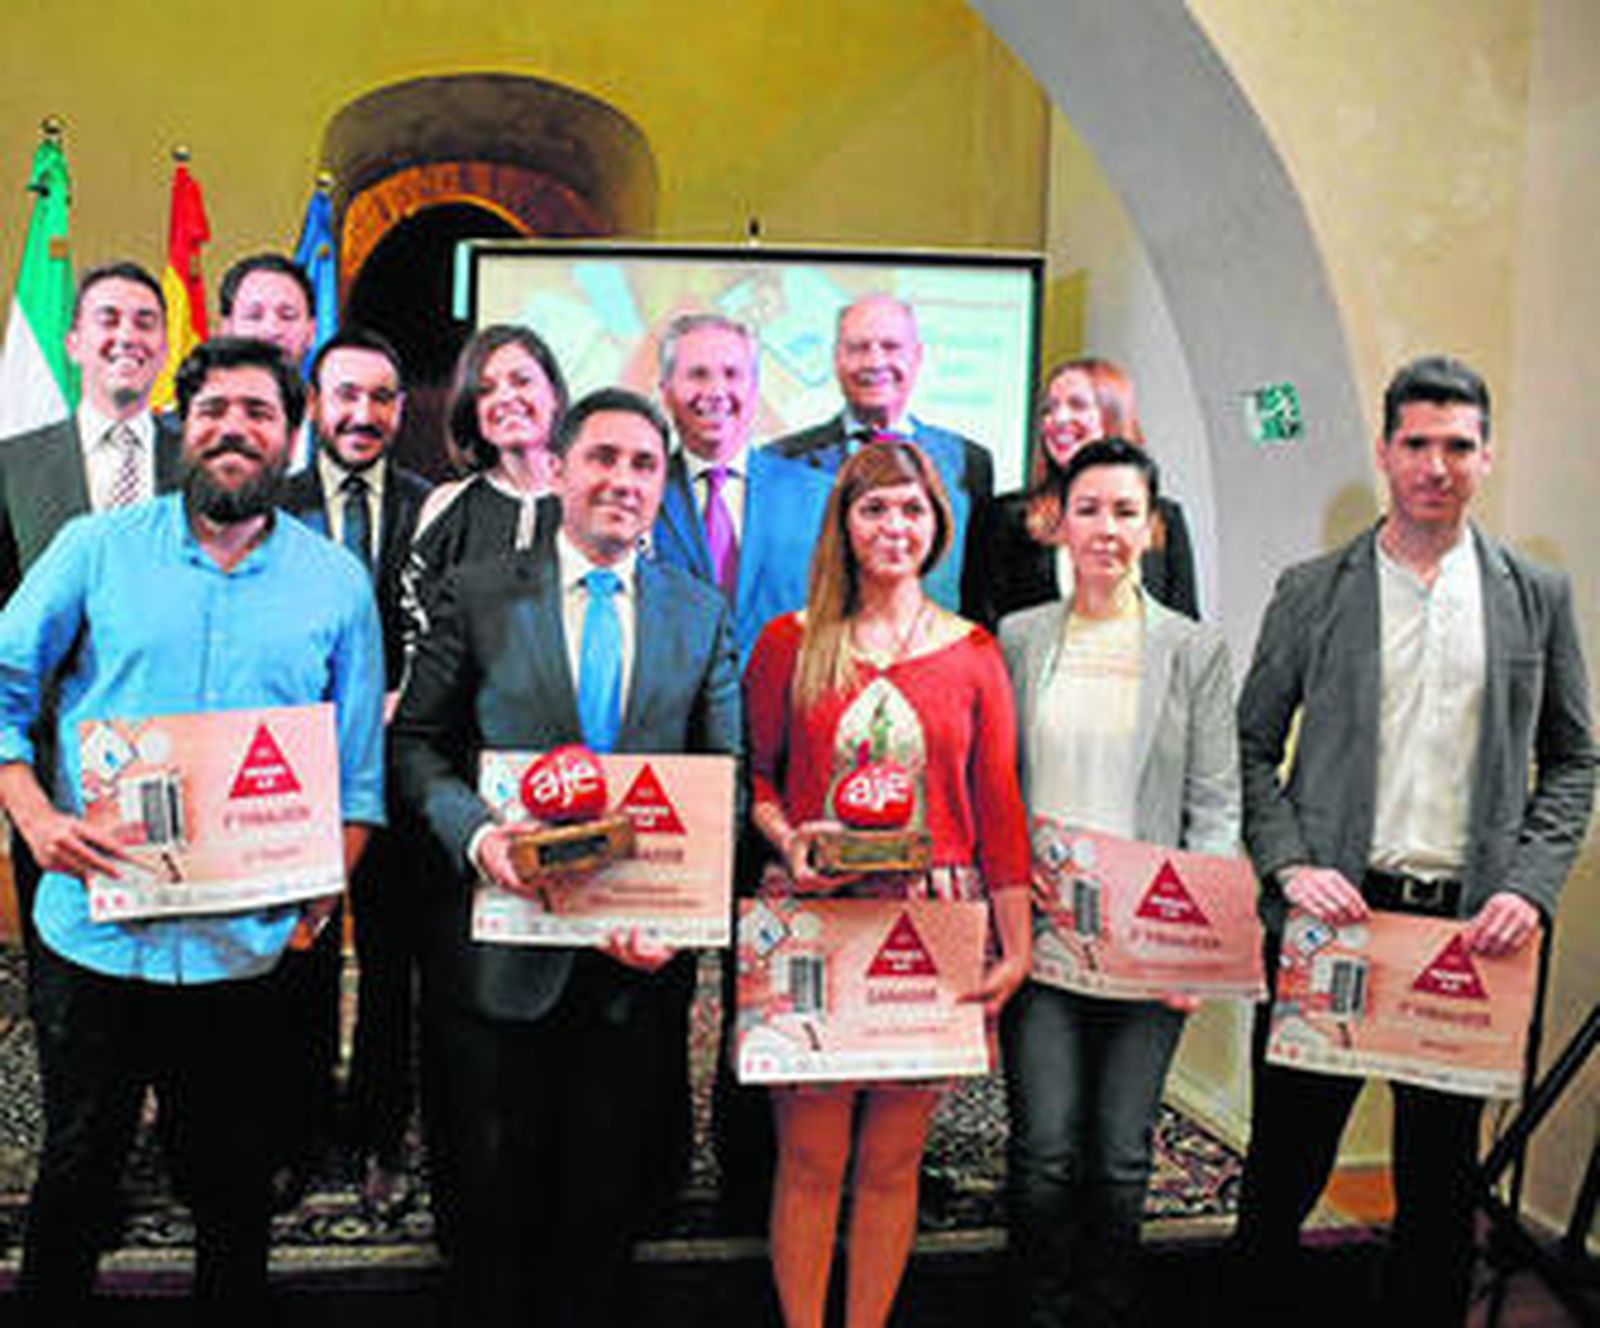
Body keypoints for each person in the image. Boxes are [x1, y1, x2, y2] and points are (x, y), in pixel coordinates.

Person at [0, 336, 385, 1327]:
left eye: (258, 412)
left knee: (231, 1185)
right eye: (213, 408)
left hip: (245, 950)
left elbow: (358, 776)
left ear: (290, 439)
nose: (232, 428)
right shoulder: (95, 548)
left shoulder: (337, 581)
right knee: (78, 1171)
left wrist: (318, 891)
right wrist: (33, 813)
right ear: (184, 424)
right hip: (96, 931)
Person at [1232, 355, 1594, 1325]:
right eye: (1417, 444)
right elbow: (1249, 743)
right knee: (1279, 1177)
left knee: (1439, 1195)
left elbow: (1572, 761)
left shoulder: (1536, 594)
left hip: (1468, 936)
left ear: (1486, 456)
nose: (1437, 464)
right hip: (1332, 926)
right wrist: (1290, 864)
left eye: (1458, 445)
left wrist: (1531, 882)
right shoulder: (1311, 590)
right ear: (1386, 452)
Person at [391, 387, 740, 1327]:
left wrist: (682, 912)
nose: (621, 482)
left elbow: (724, 777)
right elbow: (417, 744)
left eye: (643, 465)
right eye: (603, 459)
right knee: (488, 1210)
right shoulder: (476, 593)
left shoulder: (700, 613)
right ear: (557, 468)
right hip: (496, 956)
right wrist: (476, 833)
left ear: (662, 484)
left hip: (634, 965)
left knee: (603, 1210)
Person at [743, 438, 1032, 1328]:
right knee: (812, 1159)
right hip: (819, 922)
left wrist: (1015, 946)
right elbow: (756, 777)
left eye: (911, 508)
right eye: (874, 508)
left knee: (893, 1163)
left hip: (934, 928)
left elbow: (998, 808)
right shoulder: (790, 643)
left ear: (937, 522)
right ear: (845, 522)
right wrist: (790, 839)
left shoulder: (977, 652)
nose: (893, 526)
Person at [997, 437, 1239, 1327]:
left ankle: (1102, 1311)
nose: (1105, 528)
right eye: (1088, 509)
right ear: (1059, 520)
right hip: (1045, 938)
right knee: (1046, 1149)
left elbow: (1215, 807)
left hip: (1150, 947)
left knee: (1121, 1155)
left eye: (1124, 512)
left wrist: (1195, 950)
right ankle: (1037, 1312)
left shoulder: (1193, 650)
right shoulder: (1017, 638)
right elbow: (997, 788)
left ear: (1154, 527)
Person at [278, 326, 432, 1213]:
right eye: (345, 396)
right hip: (293, 777)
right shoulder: (277, 501)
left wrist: (406, 699)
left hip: (401, 779)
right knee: (296, 959)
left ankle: (380, 1133)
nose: (362, 414)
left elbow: (446, 631)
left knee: (391, 964)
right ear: (314, 404)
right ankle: (298, 1134)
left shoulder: (433, 505)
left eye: (380, 398)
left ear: (400, 410)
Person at [0, 261, 182, 951]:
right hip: (50, 775)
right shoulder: (13, 465)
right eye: (108, 319)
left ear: (166, 346)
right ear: (74, 341)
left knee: (179, 978)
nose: (126, 336)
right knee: (66, 984)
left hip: (180, 756)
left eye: (145, 322)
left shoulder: (200, 462)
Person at [768, 294, 994, 622]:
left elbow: (978, 591)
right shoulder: (782, 461)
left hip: (931, 659)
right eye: (858, 348)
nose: (875, 362)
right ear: (835, 359)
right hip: (819, 656)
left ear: (917, 357)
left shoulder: (969, 462)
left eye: (890, 347)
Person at [651, 311, 833, 667]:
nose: (716, 391)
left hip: (785, 707)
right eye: (697, 374)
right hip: (671, 715)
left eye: (732, 374)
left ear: (754, 388)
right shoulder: (640, 496)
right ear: (665, 392)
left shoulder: (819, 497)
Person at [989, 357, 1198, 623]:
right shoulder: (1006, 517)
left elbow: (1184, 625)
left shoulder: (1165, 518)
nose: (1059, 419)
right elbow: (987, 630)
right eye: (1049, 409)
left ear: (1113, 414)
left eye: (1077, 405)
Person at [402, 324, 567, 646]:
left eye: (521, 381)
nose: (506, 397)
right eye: (486, 389)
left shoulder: (594, 505)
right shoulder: (446, 507)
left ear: (554, 396)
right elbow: (420, 638)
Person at [216, 253, 319, 471]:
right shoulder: (188, 429)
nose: (271, 331)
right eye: (254, 316)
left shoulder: (340, 426)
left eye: (287, 316)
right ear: (225, 329)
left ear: (311, 331)